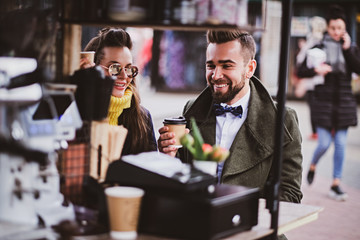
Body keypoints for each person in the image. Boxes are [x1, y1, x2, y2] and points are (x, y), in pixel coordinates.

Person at [158, 29, 303, 204]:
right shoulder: (192, 110)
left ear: (249, 68)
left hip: (252, 226)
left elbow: (290, 193)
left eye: (227, 66)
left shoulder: (283, 119)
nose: (216, 75)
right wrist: (169, 157)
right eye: (211, 65)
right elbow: (179, 180)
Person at [297, 5, 359, 201]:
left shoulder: (351, 47)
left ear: (345, 28)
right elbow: (300, 70)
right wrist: (317, 70)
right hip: (322, 100)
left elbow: (357, 67)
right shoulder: (318, 47)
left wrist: (348, 49)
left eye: (340, 28)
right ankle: (313, 164)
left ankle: (336, 184)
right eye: (333, 28)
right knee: (323, 143)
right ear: (327, 28)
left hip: (344, 99)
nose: (336, 32)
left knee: (340, 144)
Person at [81, 27, 157, 155]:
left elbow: (150, 170)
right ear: (92, 68)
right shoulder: (77, 112)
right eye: (114, 68)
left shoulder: (143, 118)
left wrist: (168, 155)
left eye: (128, 68)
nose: (124, 76)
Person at [295, 16, 328, 140]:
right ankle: (316, 131)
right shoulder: (311, 42)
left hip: (320, 83)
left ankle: (319, 130)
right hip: (312, 82)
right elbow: (301, 68)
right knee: (314, 108)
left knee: (317, 108)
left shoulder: (322, 43)